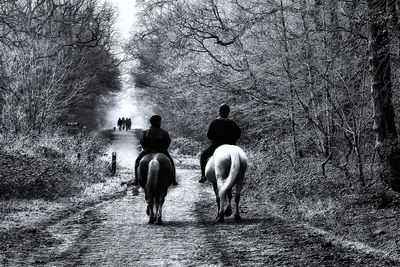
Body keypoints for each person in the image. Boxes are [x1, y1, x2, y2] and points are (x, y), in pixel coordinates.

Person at [199, 104, 241, 183]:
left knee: (203, 156)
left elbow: (209, 135)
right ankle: (240, 177)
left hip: (216, 146)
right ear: (228, 112)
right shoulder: (233, 123)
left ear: (219, 112)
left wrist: (216, 139)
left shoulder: (214, 122)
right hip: (231, 147)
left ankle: (203, 176)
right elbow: (238, 134)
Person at [133, 115, 178, 186]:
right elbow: (168, 142)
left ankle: (136, 179)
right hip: (162, 151)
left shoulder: (145, 132)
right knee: (171, 162)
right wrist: (163, 149)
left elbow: (142, 142)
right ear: (159, 122)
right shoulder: (164, 132)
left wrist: (146, 148)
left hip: (147, 151)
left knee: (137, 161)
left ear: (151, 122)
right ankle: (173, 180)